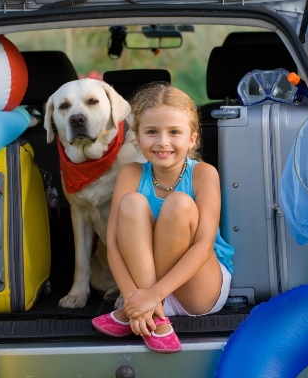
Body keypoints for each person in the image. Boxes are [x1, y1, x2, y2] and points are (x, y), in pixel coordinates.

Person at [91, 83, 234, 354]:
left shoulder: (204, 174)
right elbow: (113, 243)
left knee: (179, 203)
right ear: (137, 136)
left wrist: (148, 297)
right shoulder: (131, 174)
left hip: (196, 287)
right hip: (144, 290)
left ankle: (143, 310)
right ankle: (154, 318)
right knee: (131, 203)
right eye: (152, 132)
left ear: (192, 139)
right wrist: (134, 296)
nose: (162, 142)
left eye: (174, 132)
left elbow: (204, 246)